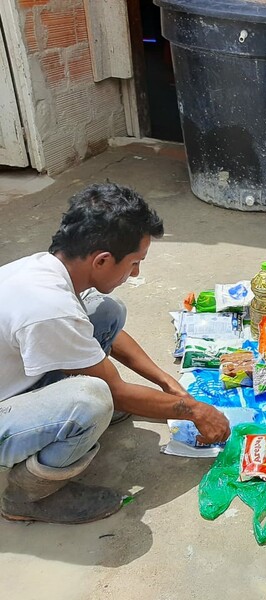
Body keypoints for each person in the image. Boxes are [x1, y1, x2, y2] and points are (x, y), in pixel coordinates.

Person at [0, 183, 230, 524]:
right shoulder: (50, 307)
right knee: (93, 399)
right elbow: (117, 392)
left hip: (12, 378)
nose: (135, 273)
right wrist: (195, 410)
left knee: (106, 310)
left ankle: (60, 416)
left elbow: (106, 334)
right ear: (103, 260)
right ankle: (26, 496)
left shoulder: (47, 269)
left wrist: (167, 382)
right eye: (134, 263)